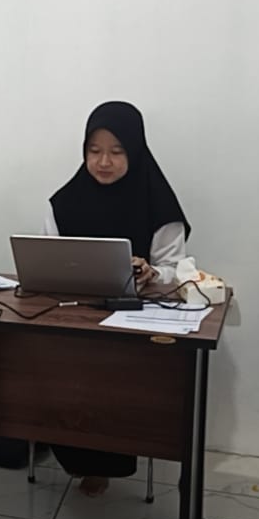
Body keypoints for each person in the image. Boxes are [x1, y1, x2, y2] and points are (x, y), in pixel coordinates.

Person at [44, 100, 191, 495]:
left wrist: (152, 273)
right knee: (48, 363)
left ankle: (105, 463)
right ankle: (69, 452)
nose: (103, 162)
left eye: (116, 151)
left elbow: (177, 270)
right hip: (74, 316)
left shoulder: (158, 204)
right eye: (94, 151)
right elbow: (51, 257)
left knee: (115, 377)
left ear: (135, 151)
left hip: (136, 322)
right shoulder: (64, 201)